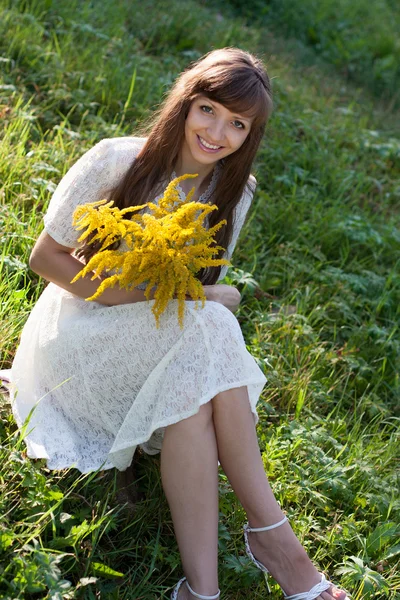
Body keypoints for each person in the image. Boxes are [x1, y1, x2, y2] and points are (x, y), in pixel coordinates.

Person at [6, 48, 349, 600]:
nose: (218, 132)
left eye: (238, 124)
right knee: (211, 323)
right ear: (186, 102)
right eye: (209, 110)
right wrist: (198, 295)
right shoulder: (116, 161)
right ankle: (279, 547)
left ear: (250, 135)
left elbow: (186, 292)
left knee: (193, 393)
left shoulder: (234, 195)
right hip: (78, 332)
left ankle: (200, 591)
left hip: (158, 333)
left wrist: (205, 294)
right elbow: (45, 259)